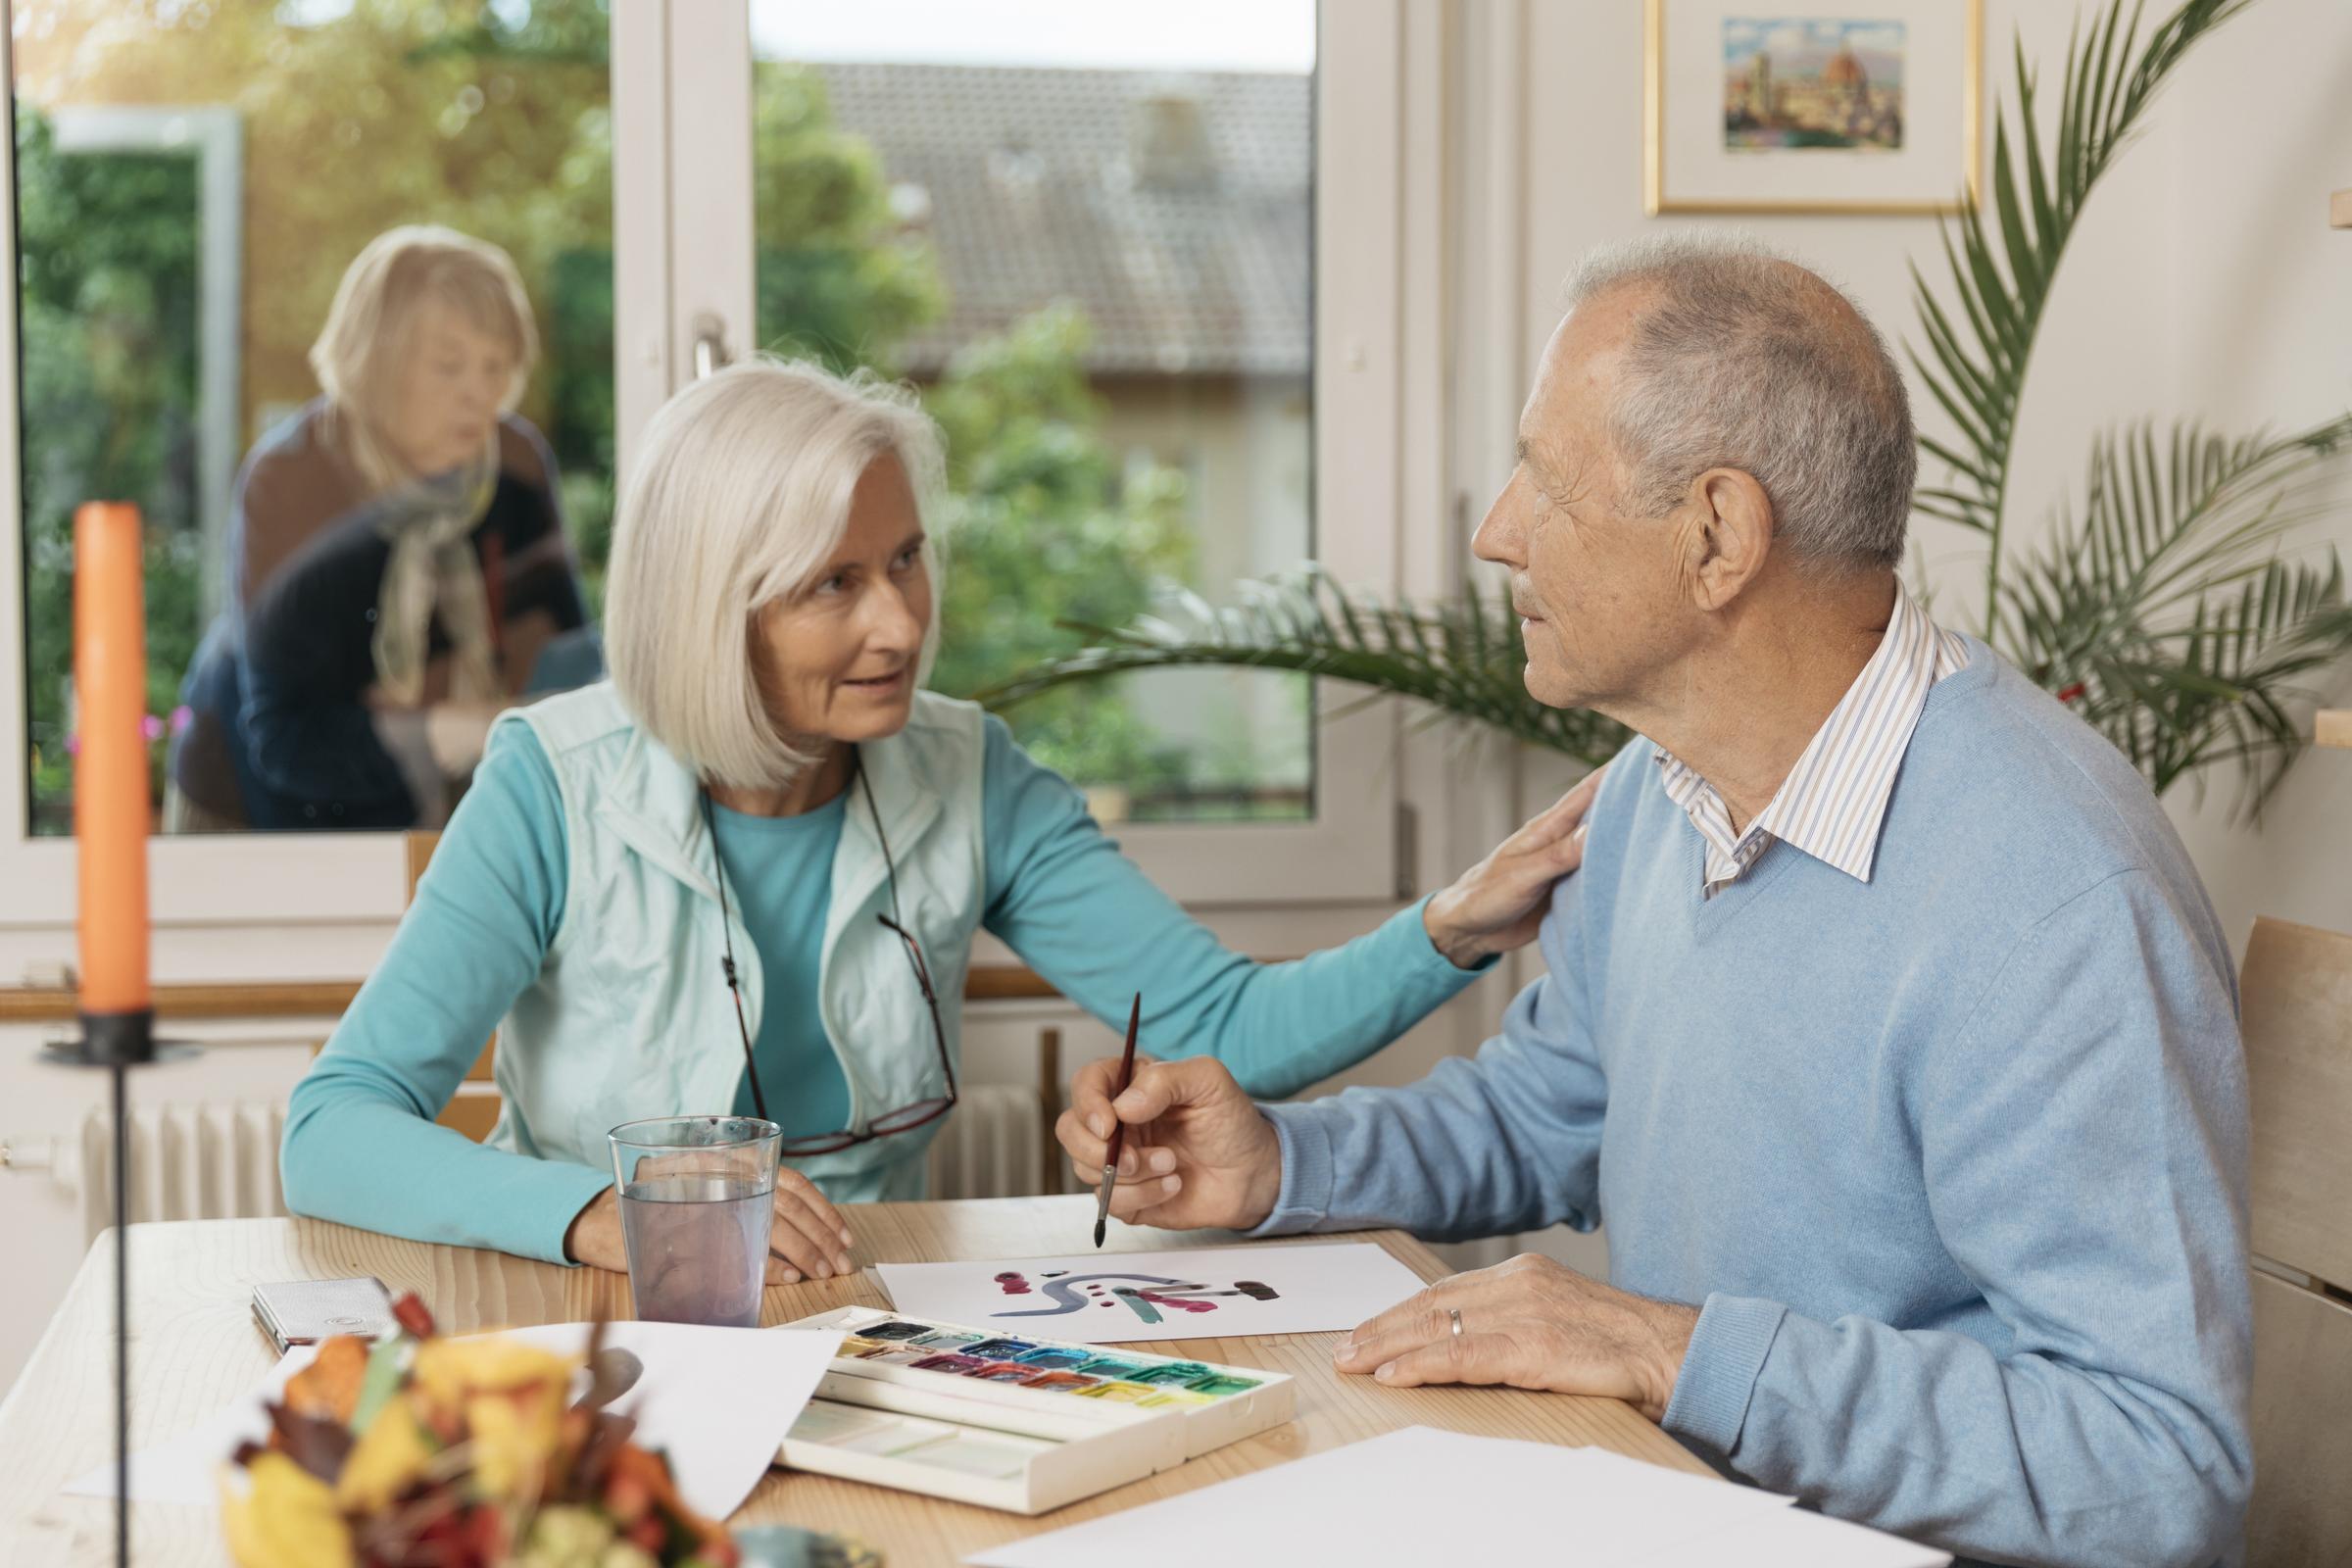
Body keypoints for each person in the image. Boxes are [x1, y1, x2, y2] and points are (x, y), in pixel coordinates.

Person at [1055, 235, 2252, 1568]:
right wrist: (1281, 1163)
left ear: (1718, 536)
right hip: (1664, 1513)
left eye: (1546, 482)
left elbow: (2158, 1469)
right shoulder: (1648, 796)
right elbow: (1549, 1114)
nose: (1496, 532)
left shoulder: (2053, 896)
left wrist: (1667, 1348)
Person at [281, 356, 1597, 1289]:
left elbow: (1229, 1030)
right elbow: (333, 1125)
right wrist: (591, 1213)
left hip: (864, 1310)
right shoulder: (552, 785)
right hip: (593, 1312)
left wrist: (1454, 926)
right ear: (712, 606)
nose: (902, 624)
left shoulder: (971, 772)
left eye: (906, 559)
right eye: (834, 584)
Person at [166, 225, 585, 833]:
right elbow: (289, 740)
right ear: (377, 362)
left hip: (440, 807)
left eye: (496, 366)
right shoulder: (291, 476)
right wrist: (449, 731)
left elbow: (565, 663)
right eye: (449, 366)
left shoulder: (514, 462)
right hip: (255, 808)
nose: (480, 394)